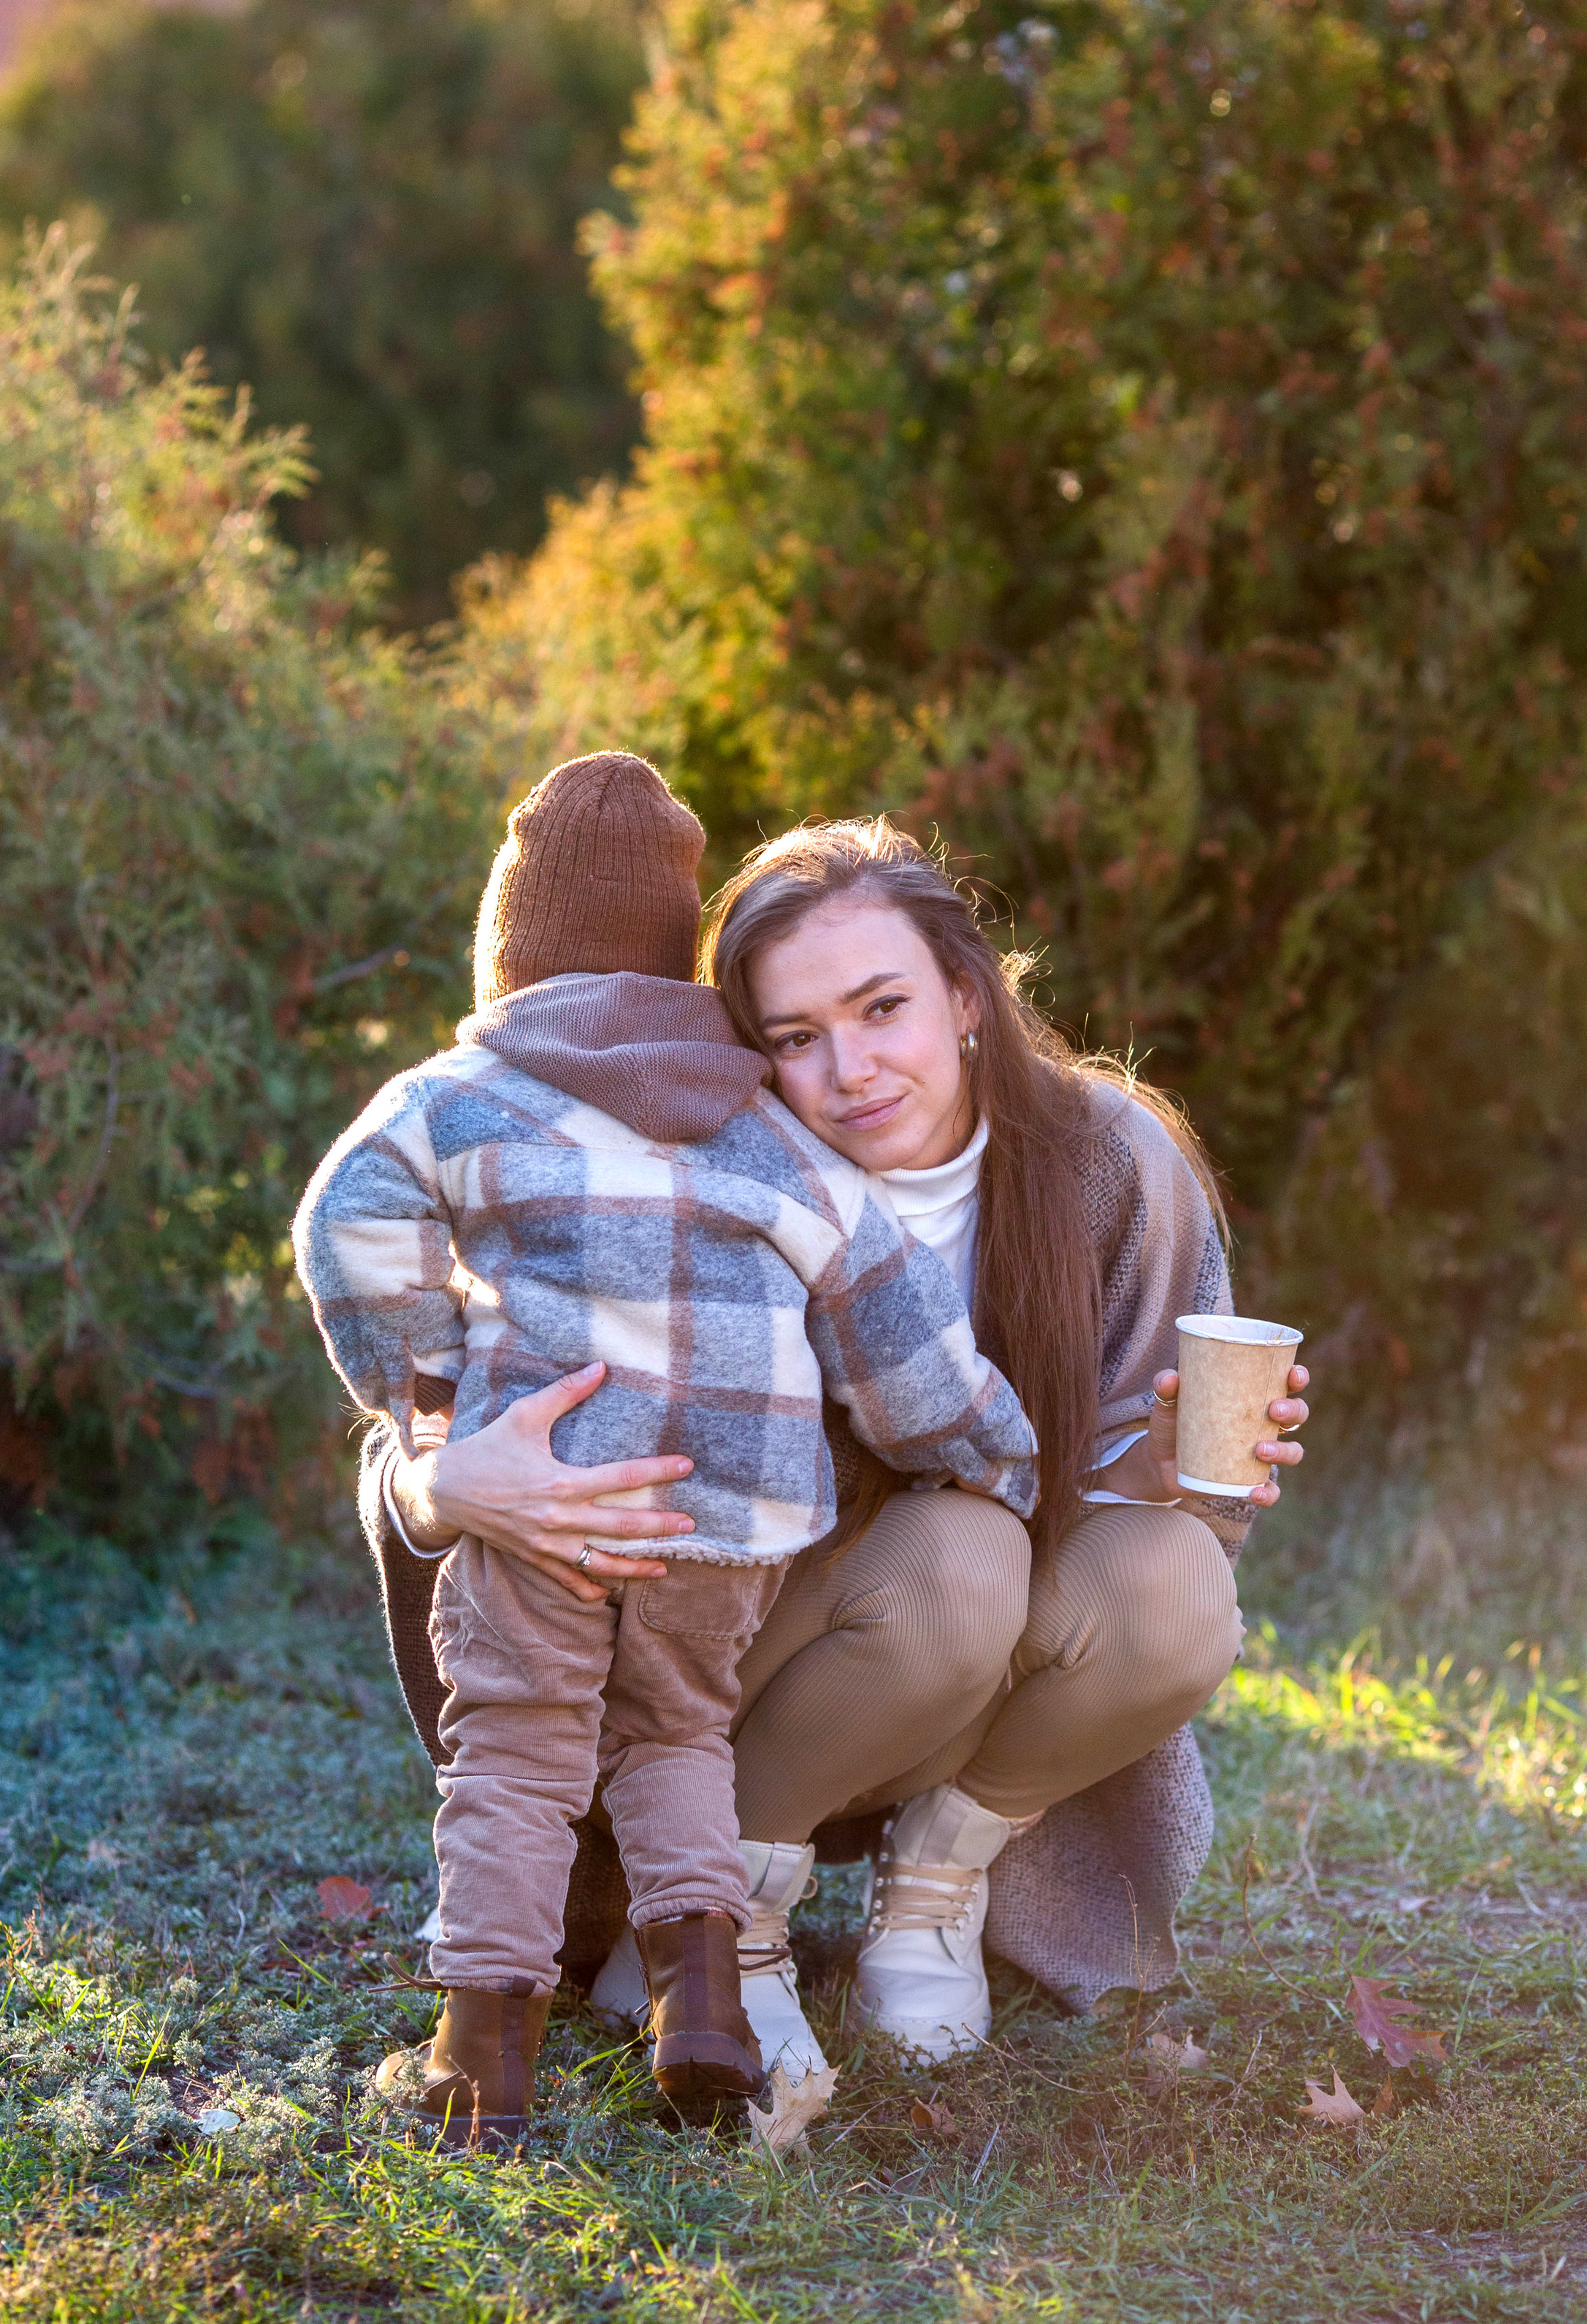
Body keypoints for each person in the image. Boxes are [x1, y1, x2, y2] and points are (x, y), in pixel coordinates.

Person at [386, 813, 1308, 2082]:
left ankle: (939, 1884)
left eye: (885, 1008)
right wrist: (438, 1479)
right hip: (740, 1670)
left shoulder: (1113, 1164)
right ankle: (722, 1916)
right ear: (747, 1051)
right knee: (960, 1557)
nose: (853, 1069)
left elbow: (1159, 1494)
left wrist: (1157, 1480)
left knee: (1180, 1591)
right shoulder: (693, 1171)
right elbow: (423, 1392)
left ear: (969, 998)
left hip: (973, 1680)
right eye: (797, 1038)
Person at [294, 762, 1036, 2144]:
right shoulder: (763, 1127)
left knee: (516, 1751)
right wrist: (993, 1454)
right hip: (729, 1515)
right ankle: (701, 2011)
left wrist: (431, 1386)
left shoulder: (463, 1092)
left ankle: (477, 2052)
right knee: (680, 1737)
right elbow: (891, 1317)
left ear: (508, 949)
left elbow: (346, 1218)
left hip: (549, 1494)